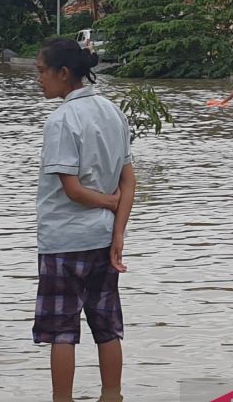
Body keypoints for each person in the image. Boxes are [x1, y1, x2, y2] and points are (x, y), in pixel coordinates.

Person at [34, 38, 136, 402]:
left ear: (64, 73)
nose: (39, 80)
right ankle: (113, 396)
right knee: (107, 328)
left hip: (65, 241)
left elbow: (72, 190)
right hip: (104, 240)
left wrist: (107, 202)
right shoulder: (112, 111)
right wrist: (118, 230)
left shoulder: (61, 120)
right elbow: (129, 179)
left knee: (62, 331)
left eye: (43, 72)